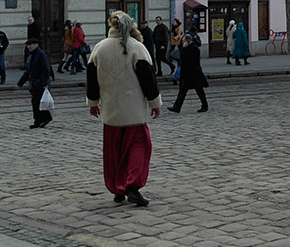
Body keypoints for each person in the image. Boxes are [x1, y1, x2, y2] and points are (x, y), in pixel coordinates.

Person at [86, 11, 161, 207]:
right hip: (133, 111)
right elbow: (149, 80)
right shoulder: (137, 48)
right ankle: (132, 186)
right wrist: (155, 104)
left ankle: (117, 188)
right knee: (138, 147)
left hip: (111, 112)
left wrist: (93, 103)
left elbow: (91, 80)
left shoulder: (99, 48)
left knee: (114, 152)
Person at [168, 33, 209, 113]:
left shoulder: (194, 49)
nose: (183, 43)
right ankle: (176, 107)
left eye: (184, 41)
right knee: (182, 91)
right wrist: (183, 48)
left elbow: (188, 58)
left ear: (188, 41)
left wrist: (184, 49)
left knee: (199, 90)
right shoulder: (186, 48)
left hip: (194, 73)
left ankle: (205, 105)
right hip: (186, 73)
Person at [17, 38, 53, 129]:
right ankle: (39, 120)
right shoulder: (30, 56)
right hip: (34, 83)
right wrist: (20, 83)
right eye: (28, 45)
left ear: (36, 45)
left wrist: (45, 83)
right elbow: (27, 72)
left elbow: (46, 69)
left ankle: (44, 118)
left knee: (38, 102)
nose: (29, 47)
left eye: (31, 45)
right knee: (35, 102)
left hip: (40, 83)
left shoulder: (41, 54)